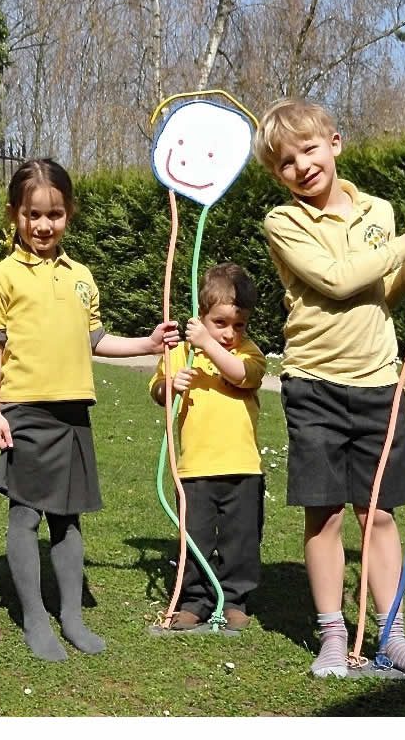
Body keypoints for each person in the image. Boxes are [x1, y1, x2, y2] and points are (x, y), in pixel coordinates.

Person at [253, 98, 405, 681]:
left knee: (378, 514)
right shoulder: (283, 222)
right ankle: (334, 634)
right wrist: (401, 243)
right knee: (324, 515)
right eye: (286, 162)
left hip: (378, 383)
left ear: (335, 143)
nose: (302, 166)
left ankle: (391, 634)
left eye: (310, 150)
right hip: (314, 384)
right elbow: (337, 282)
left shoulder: (380, 211)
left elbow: (381, 293)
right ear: (277, 174)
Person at [0, 158, 180, 661]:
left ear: (69, 214)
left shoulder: (83, 276)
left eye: (55, 214)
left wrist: (147, 344)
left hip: (73, 416)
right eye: (33, 214)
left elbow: (96, 339)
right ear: (13, 214)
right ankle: (34, 617)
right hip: (23, 410)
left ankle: (71, 615)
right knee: (24, 517)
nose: (43, 225)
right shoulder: (1, 277)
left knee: (68, 521)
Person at [149, 263, 267, 632]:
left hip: (243, 467)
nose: (231, 333)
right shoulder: (182, 352)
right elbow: (156, 390)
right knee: (195, 538)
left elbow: (242, 375)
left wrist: (208, 343)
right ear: (202, 315)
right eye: (221, 323)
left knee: (241, 540)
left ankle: (234, 599)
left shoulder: (248, 353)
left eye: (239, 324)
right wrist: (170, 384)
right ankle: (194, 600)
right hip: (196, 469)